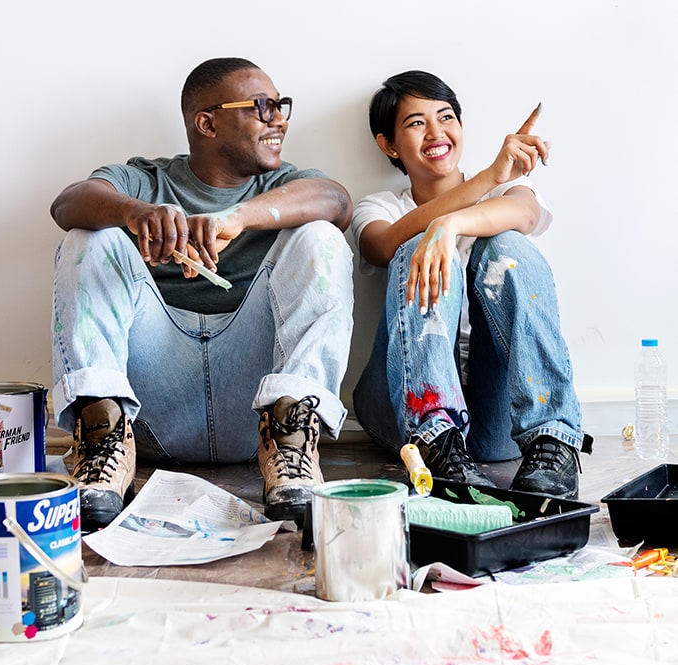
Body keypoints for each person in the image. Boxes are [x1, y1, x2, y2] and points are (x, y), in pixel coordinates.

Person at [50, 57, 354, 530]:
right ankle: (103, 440)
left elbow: (337, 202)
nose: (279, 118)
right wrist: (135, 214)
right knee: (88, 237)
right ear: (206, 122)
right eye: (261, 106)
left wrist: (238, 219)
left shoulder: (283, 184)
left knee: (322, 237)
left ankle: (294, 446)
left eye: (280, 106)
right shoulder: (146, 178)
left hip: (253, 409)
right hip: (153, 407)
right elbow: (67, 203)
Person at [352, 70, 592, 499]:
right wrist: (482, 182)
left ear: (461, 126)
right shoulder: (380, 206)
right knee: (412, 247)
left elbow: (525, 215)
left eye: (446, 117)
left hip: (495, 413)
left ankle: (553, 438)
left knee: (506, 245)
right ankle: (435, 441)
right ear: (388, 144)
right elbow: (383, 246)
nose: (436, 132)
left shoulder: (511, 187)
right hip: (400, 407)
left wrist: (452, 224)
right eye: (416, 122)